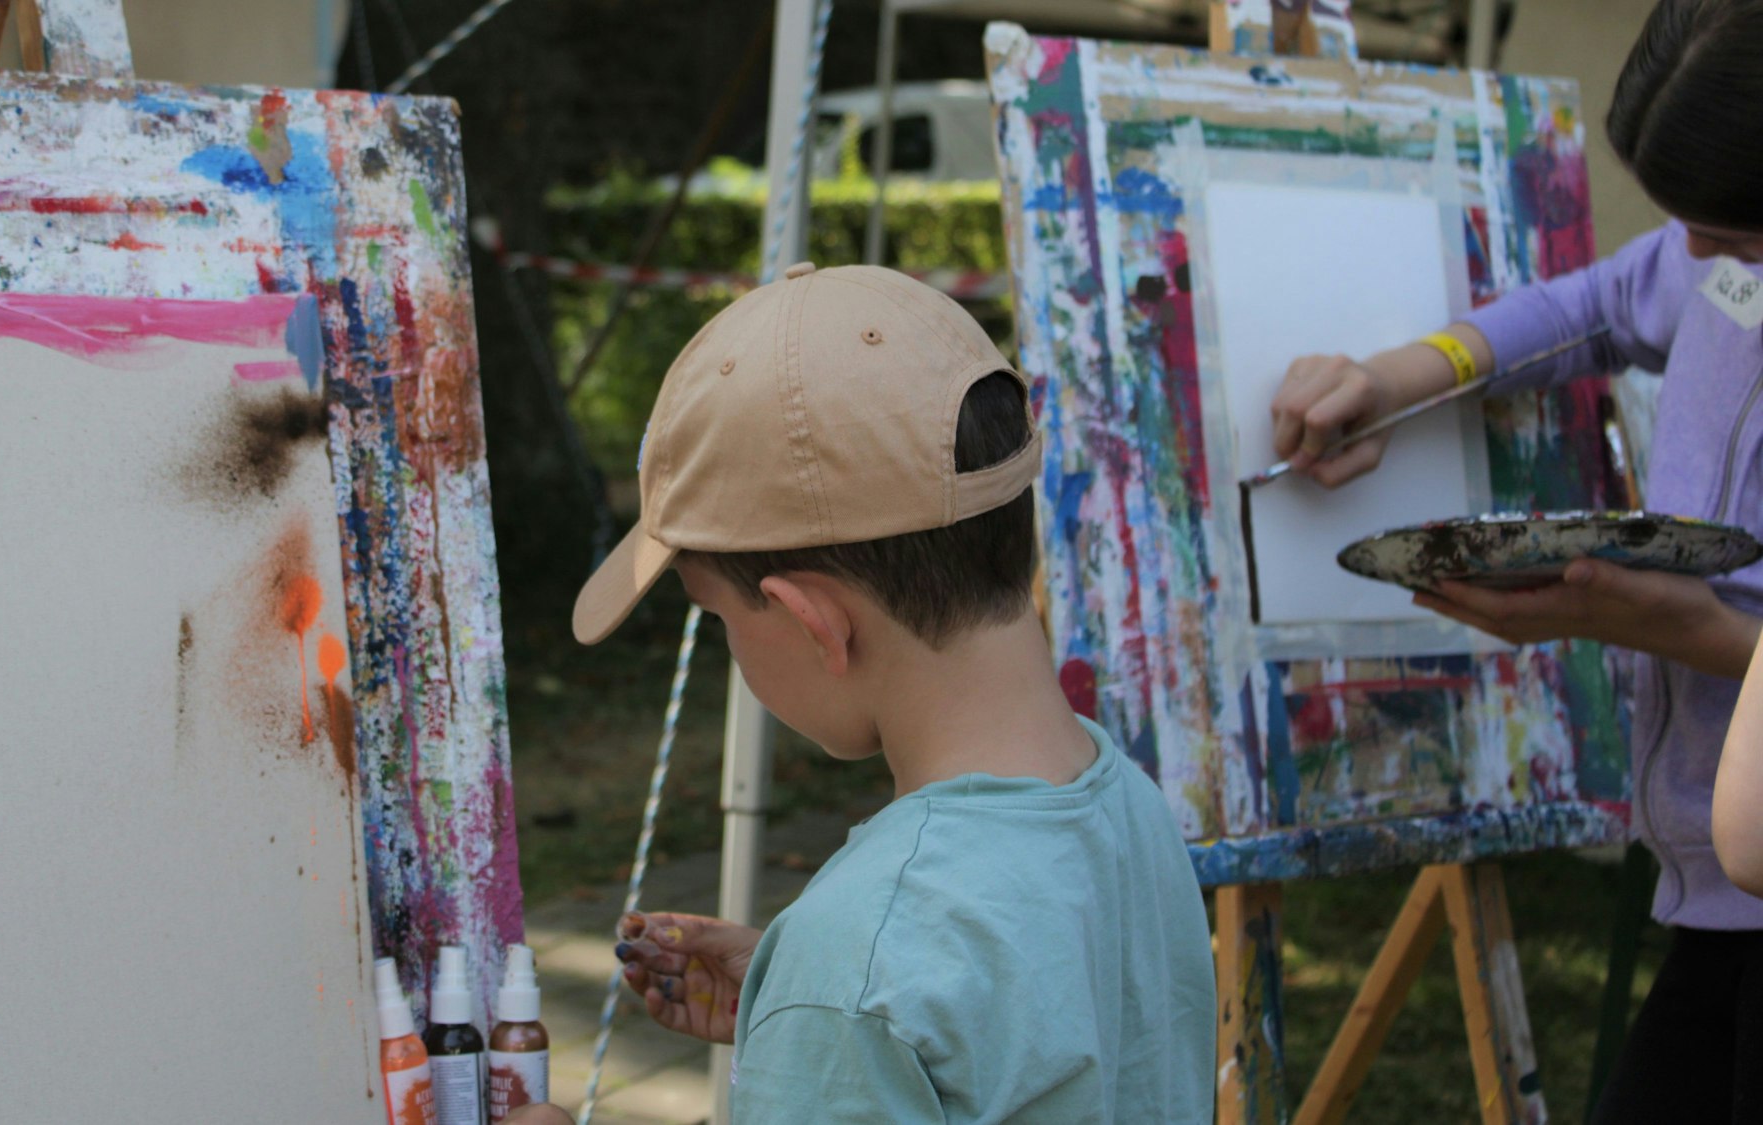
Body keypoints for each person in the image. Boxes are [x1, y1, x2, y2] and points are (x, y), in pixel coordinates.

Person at [1268, 1, 1763, 1119]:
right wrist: (1404, 375)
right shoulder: (1721, 268)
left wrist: (1685, 630)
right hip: (1710, 890)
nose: (1691, 253)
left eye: (1731, 234)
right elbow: (1601, 304)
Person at [570, 263, 1215, 1121]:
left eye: (717, 615)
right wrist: (811, 1009)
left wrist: (830, 1009)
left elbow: (894, 988)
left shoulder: (862, 965)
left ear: (812, 622)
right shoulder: (1126, 800)